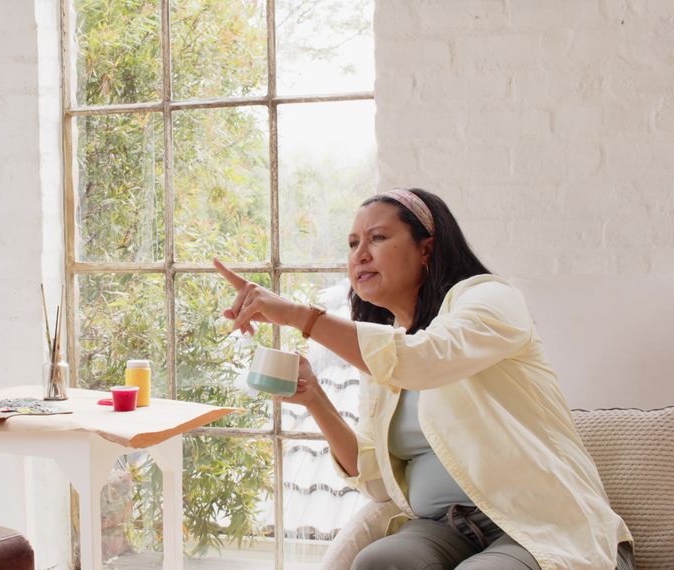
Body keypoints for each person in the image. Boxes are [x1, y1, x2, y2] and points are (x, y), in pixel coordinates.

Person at [215, 188, 634, 569]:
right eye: (352, 243)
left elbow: (427, 360)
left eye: (377, 238)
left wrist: (298, 315)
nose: (360, 254)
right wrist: (315, 400)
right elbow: (378, 482)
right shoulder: (386, 352)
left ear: (426, 249)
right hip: (444, 528)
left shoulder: (488, 300)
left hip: (536, 523)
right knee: (379, 561)